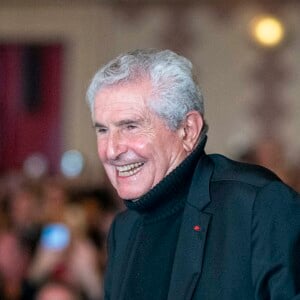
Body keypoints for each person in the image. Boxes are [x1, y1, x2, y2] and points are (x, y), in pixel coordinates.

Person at [86, 49, 300, 300]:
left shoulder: (259, 204)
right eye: (102, 130)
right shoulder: (123, 228)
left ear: (187, 130)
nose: (111, 150)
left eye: (130, 126)